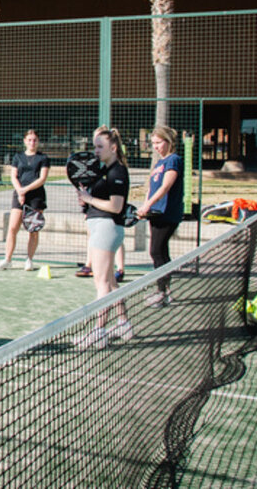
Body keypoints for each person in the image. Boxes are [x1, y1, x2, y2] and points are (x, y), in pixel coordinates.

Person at [72, 127, 133, 350]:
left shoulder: (117, 172)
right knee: (111, 282)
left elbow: (116, 207)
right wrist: (86, 200)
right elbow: (98, 200)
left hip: (107, 229)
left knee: (102, 284)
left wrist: (90, 198)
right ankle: (124, 323)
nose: (95, 151)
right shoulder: (105, 171)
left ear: (113, 148)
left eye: (100, 147)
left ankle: (99, 331)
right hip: (100, 226)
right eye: (95, 146)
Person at [137, 125, 184, 307]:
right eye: (153, 143)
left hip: (167, 213)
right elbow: (152, 187)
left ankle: (161, 292)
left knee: (156, 251)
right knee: (160, 251)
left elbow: (165, 187)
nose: (155, 146)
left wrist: (148, 204)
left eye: (158, 142)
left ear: (168, 141)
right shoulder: (159, 162)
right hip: (155, 213)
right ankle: (166, 291)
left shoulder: (173, 160)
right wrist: (145, 205)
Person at [0, 130, 50, 271]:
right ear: (25, 141)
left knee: (33, 230)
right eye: (29, 140)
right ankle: (7, 259)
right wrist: (20, 191)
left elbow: (42, 179)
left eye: (35, 140)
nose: (32, 142)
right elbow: (14, 176)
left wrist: (26, 190)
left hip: (36, 196)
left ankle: (29, 260)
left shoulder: (43, 158)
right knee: (12, 228)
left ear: (38, 141)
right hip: (19, 196)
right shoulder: (18, 157)